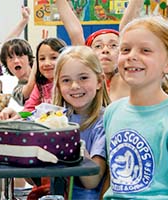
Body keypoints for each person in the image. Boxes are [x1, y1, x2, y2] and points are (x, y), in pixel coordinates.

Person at [103, 16, 168, 199]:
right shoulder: (112, 112)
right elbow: (115, 179)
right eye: (125, 49)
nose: (132, 55)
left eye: (145, 50)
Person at [52, 46, 110, 199]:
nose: (75, 86)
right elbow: (32, 179)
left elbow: (92, 180)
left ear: (99, 81)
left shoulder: (105, 122)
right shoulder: (54, 118)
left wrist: (72, 142)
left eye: (83, 78)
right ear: (58, 85)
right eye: (66, 80)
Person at [0, 37, 66, 119]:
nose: (47, 63)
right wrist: (17, 116)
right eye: (42, 59)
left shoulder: (68, 83)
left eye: (54, 58)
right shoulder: (39, 86)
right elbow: (29, 110)